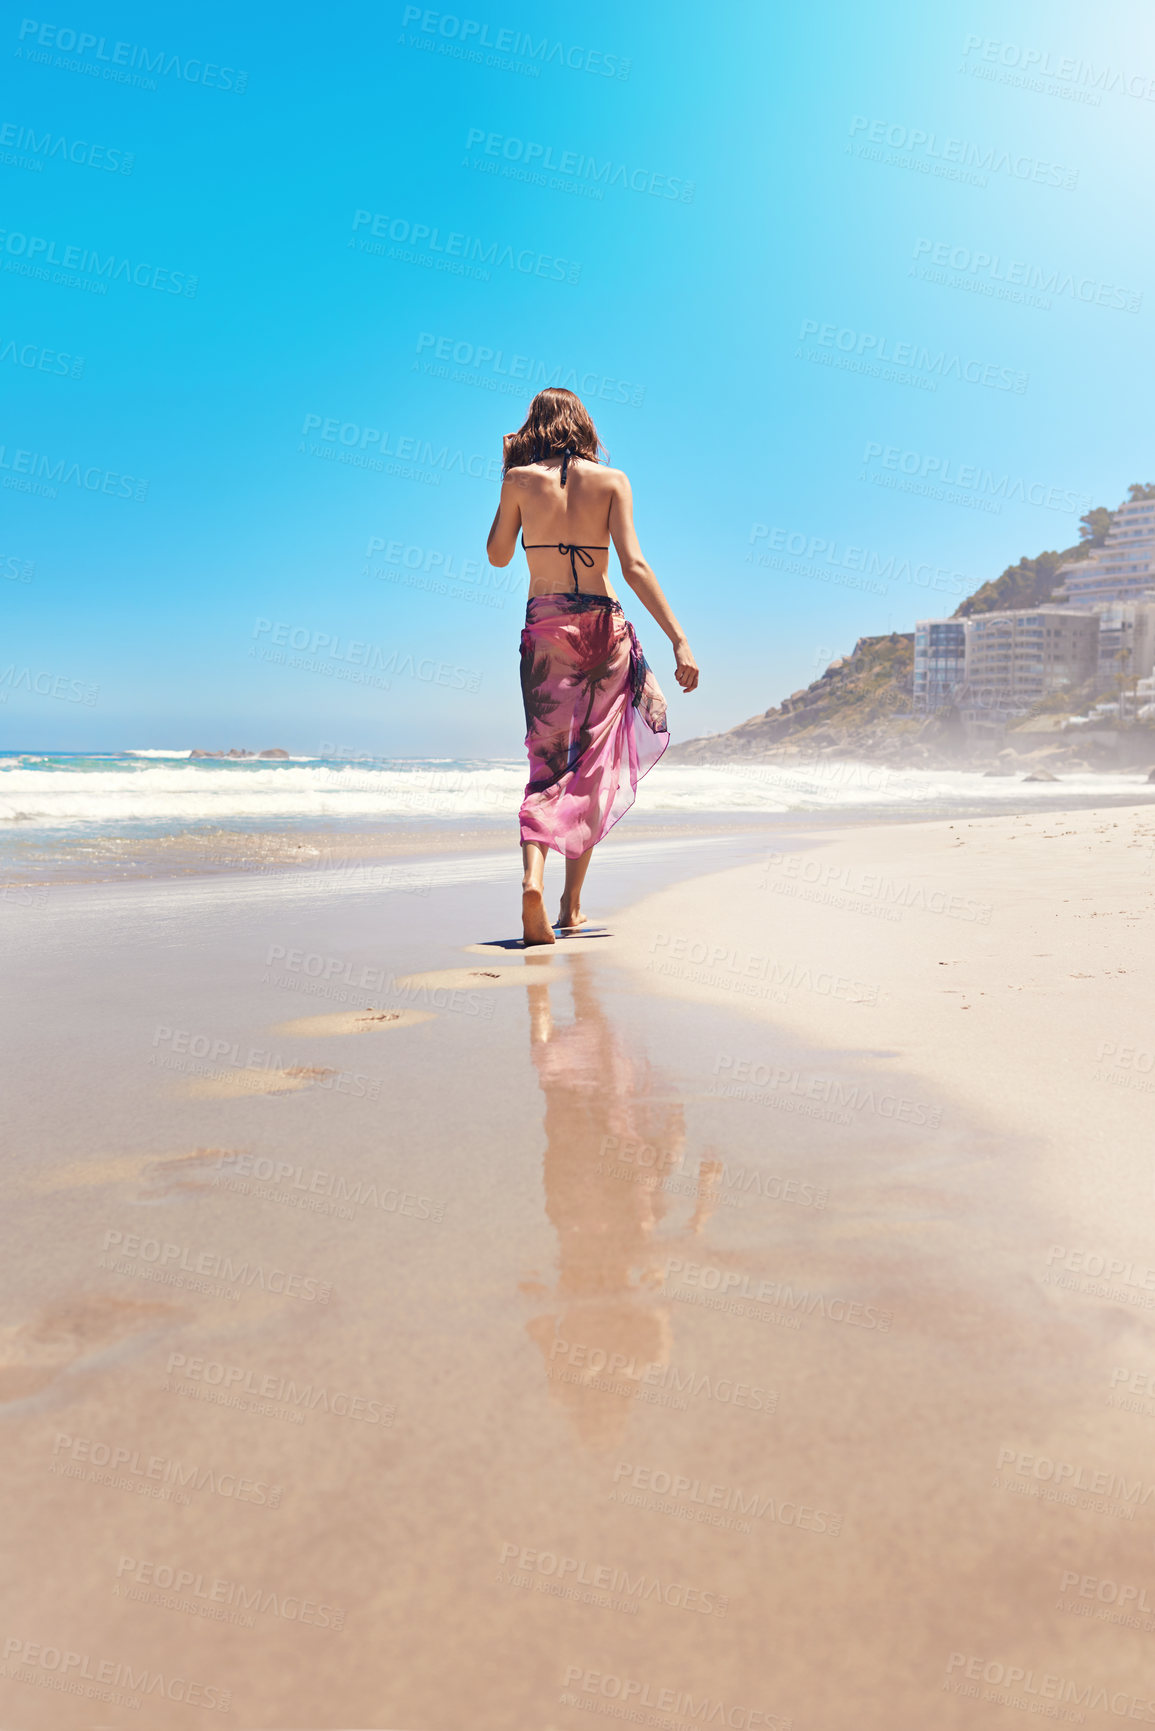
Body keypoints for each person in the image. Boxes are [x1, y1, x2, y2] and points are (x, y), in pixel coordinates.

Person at [486, 388, 699, 946]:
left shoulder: (518, 480)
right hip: (604, 629)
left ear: (533, 426)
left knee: (548, 761)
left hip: (547, 629)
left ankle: (531, 880)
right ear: (583, 426)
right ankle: (570, 906)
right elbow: (634, 565)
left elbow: (499, 554)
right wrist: (679, 640)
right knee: (594, 763)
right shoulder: (613, 481)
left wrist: (508, 471)